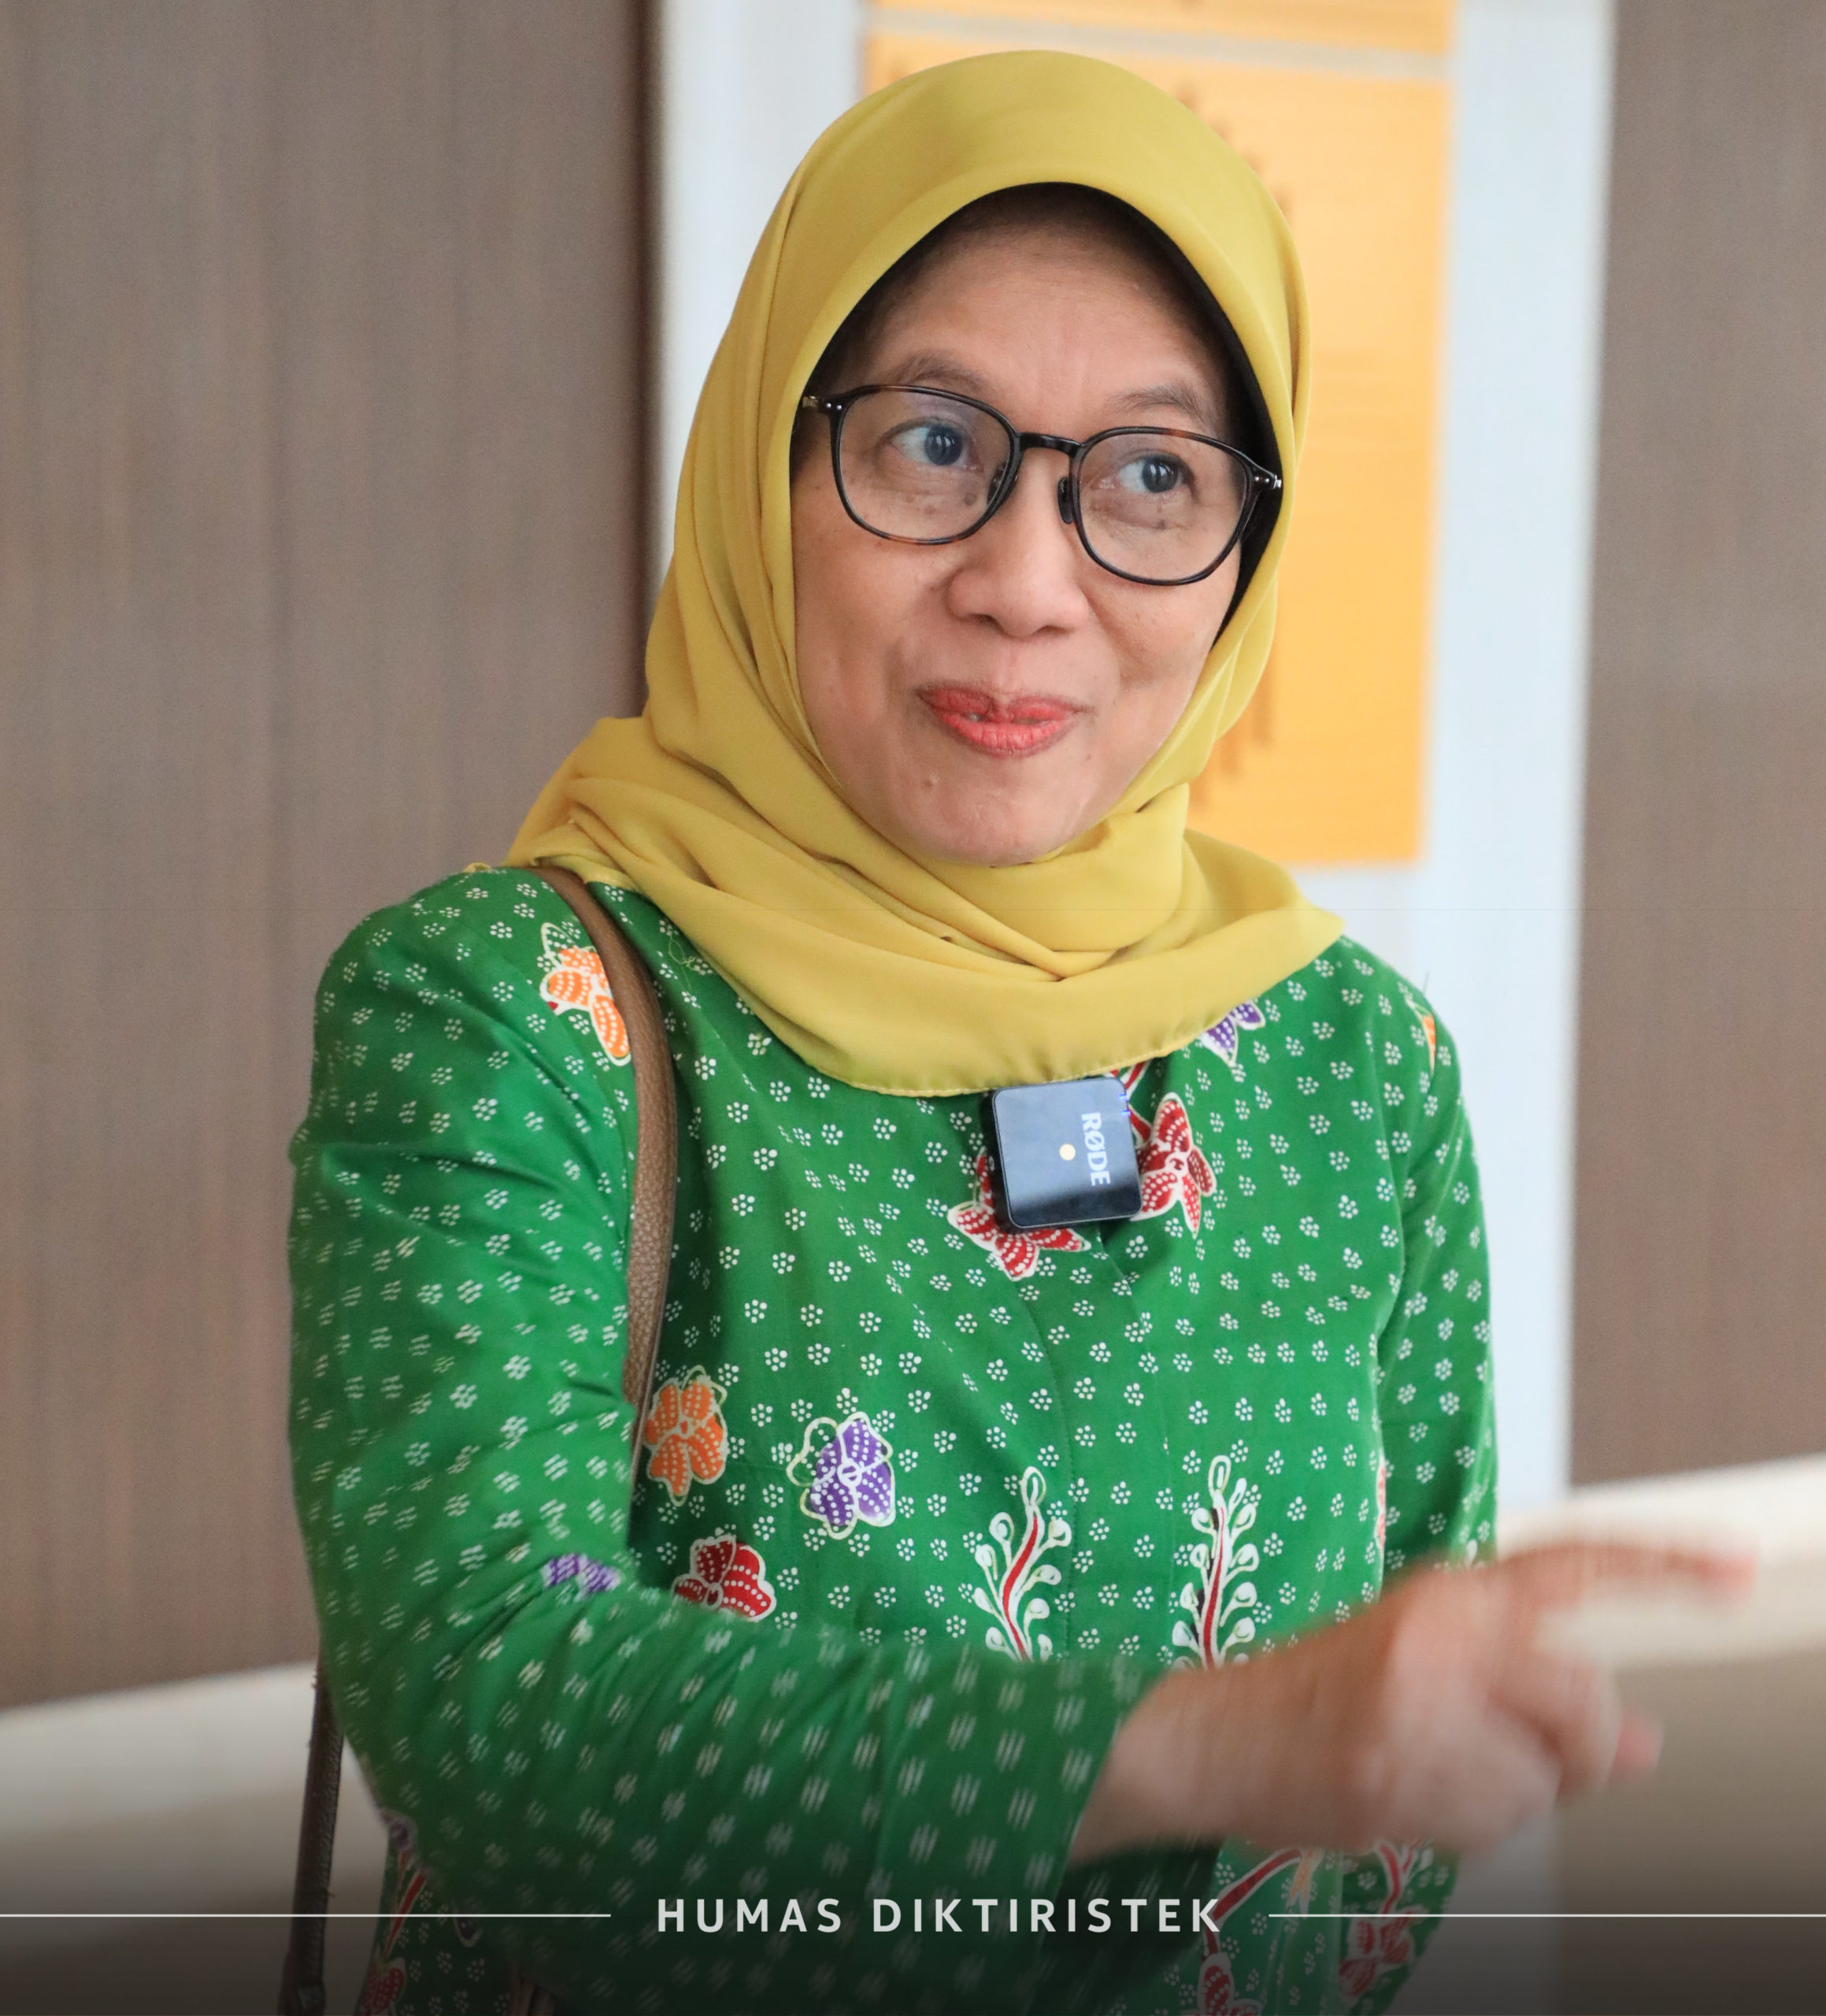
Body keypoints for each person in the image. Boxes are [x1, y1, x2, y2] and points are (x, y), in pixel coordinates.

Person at [288, 50, 1738, 2016]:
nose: (1026, 585)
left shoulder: (1350, 1061)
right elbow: (489, 1701)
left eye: (1148, 478)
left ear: (1245, 555)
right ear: (766, 469)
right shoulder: (513, 1015)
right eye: (930, 443)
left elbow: (1385, 1804)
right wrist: (1207, 1744)